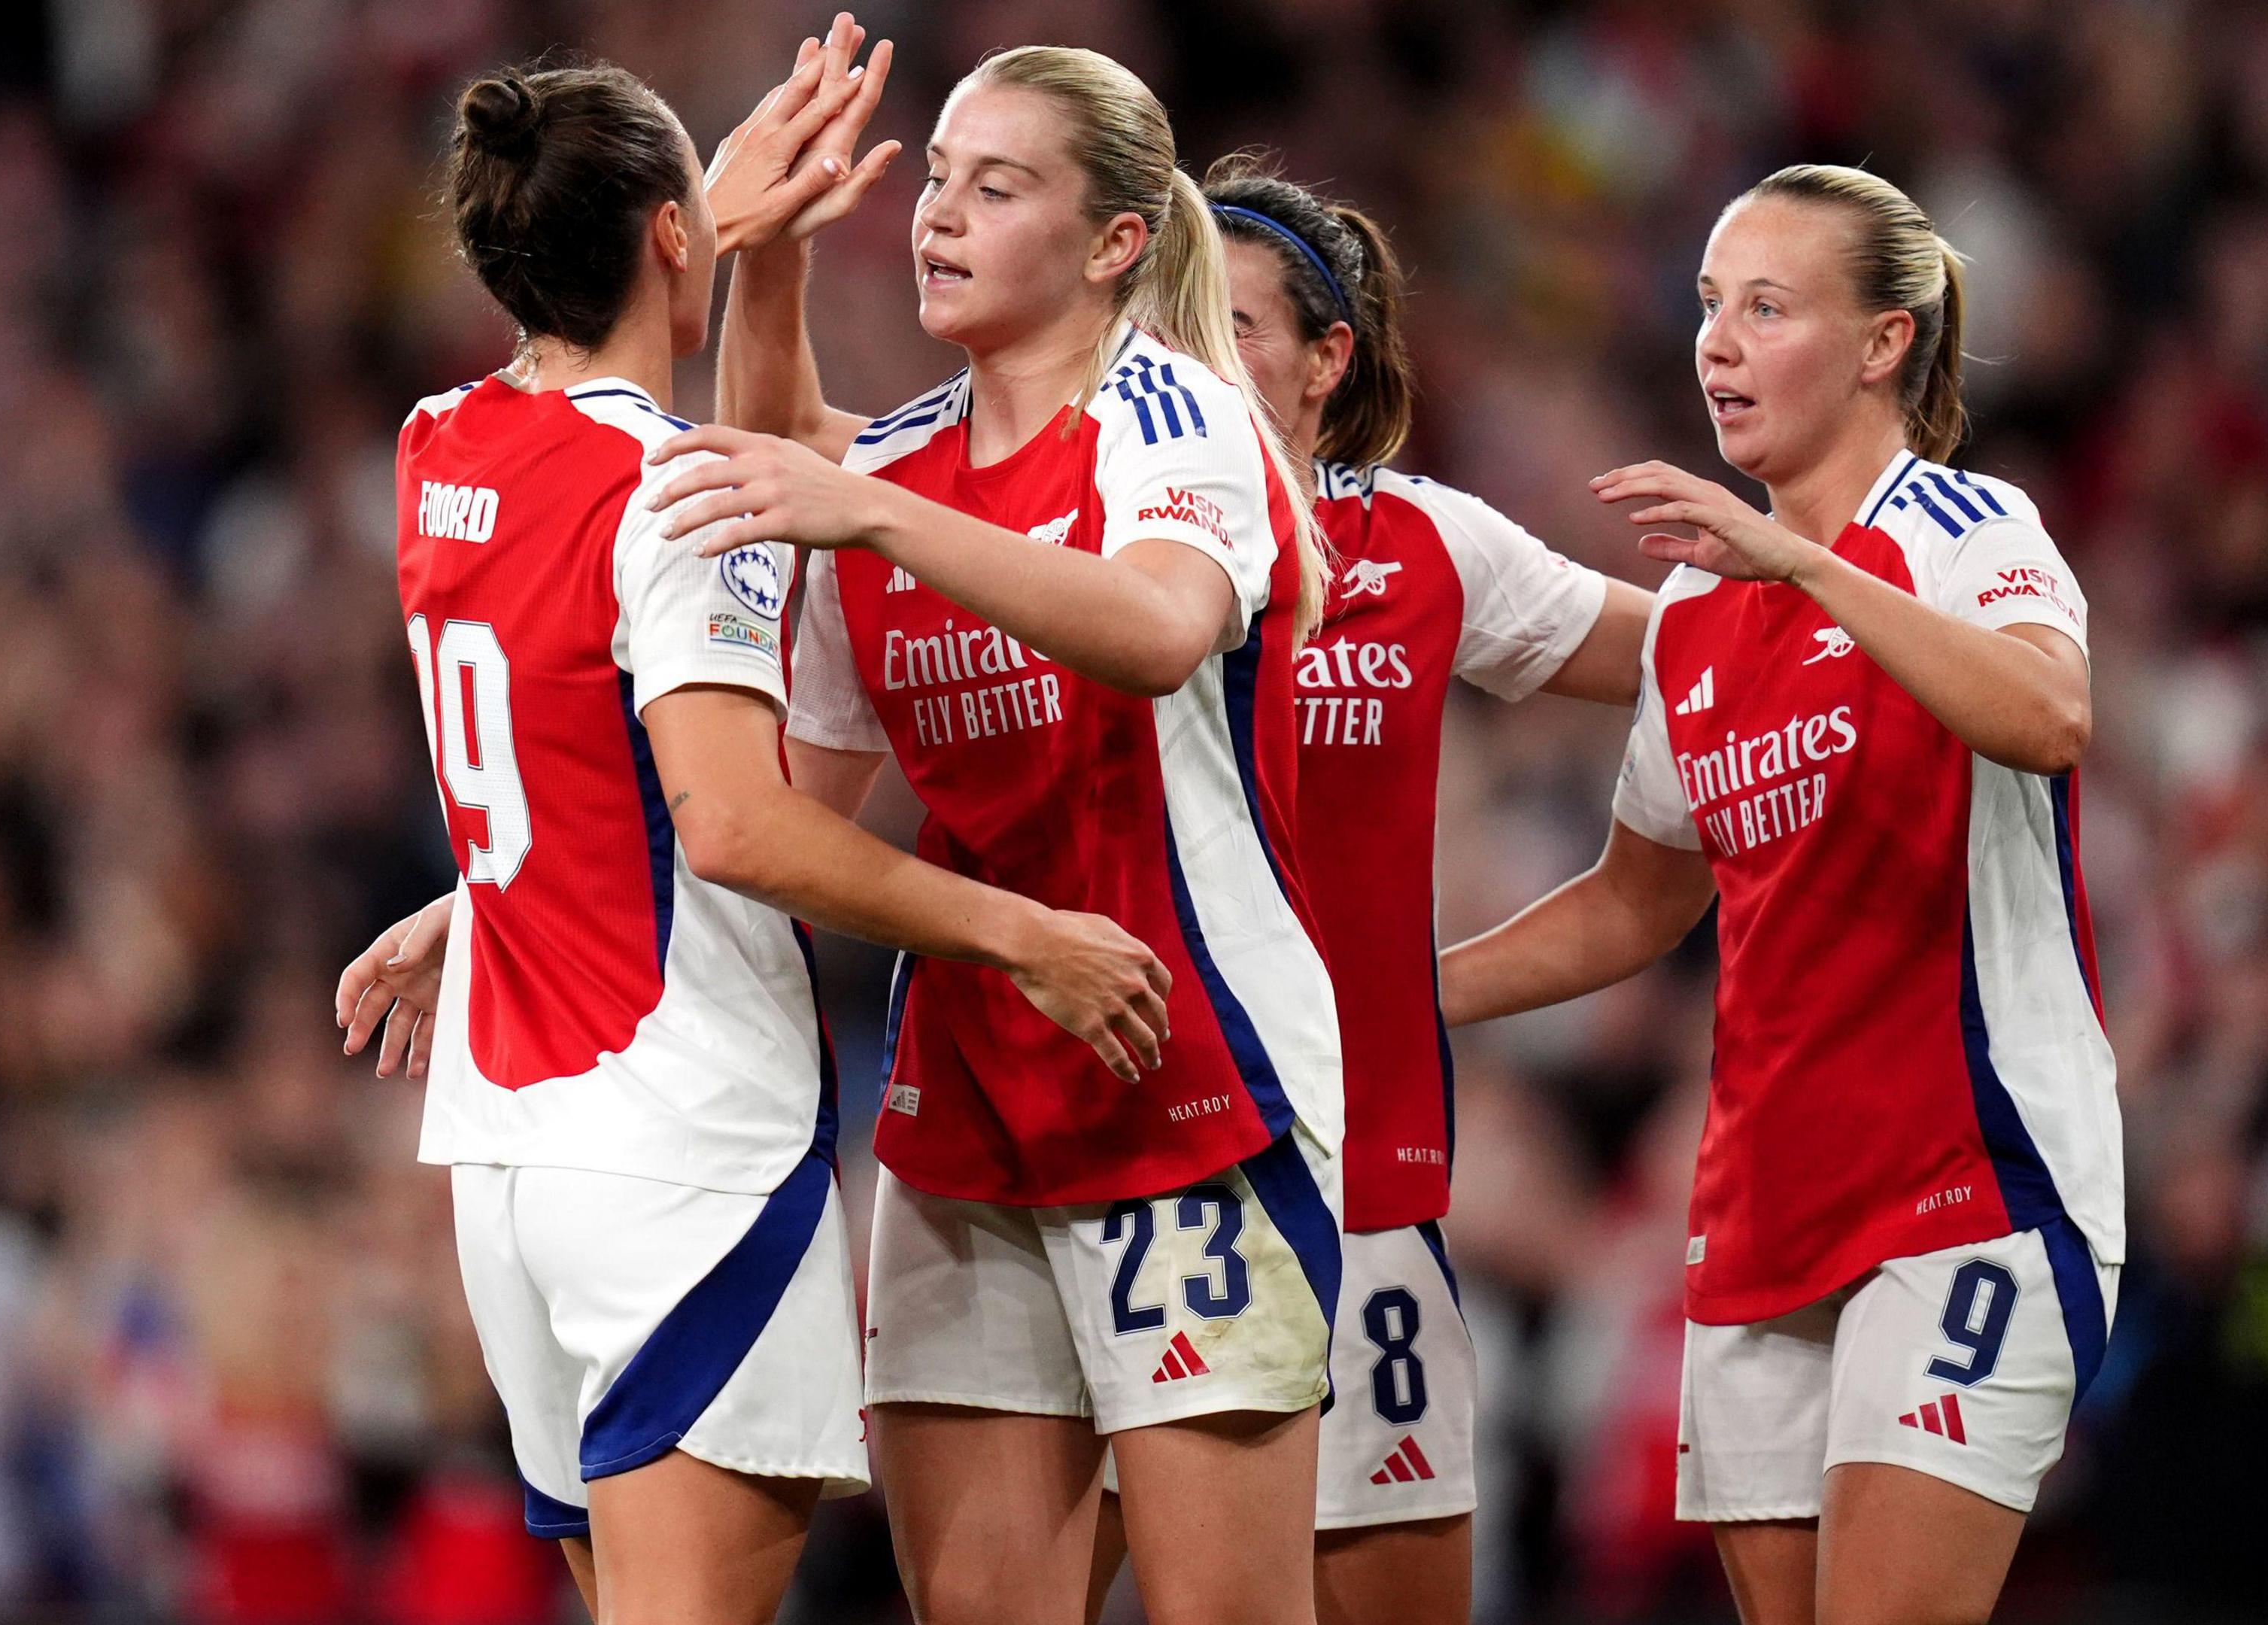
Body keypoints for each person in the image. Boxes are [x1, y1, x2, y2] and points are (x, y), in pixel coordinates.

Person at [338, 35, 1173, 1625]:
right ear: (668, 234)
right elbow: (730, 825)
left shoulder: (434, 445)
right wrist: (1019, 930)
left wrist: (476, 898)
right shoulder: (679, 493)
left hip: (511, 1159)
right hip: (677, 1147)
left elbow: (572, 752)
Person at [639, 41, 1344, 1625]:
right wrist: (772, 254)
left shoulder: (1176, 419)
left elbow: (1159, 632)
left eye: (996, 186)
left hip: (1196, 1087)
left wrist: (876, 509)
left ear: (1112, 246)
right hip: (968, 1121)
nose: (941, 215)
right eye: (938, 178)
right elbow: (792, 810)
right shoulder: (890, 471)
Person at [1438, 164, 2122, 1625]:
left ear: (1883, 341)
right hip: (1758, 1213)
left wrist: (1806, 566)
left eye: (1767, 307)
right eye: (1705, 308)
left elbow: (2049, 716)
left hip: (1971, 1187)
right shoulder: (1696, 616)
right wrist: (1395, 996)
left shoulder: (1966, 530)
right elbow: (1636, 905)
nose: (1717, 344)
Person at [1087, 156, 1656, 1625]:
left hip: (1364, 1189)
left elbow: (1697, 666)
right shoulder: (1077, 540)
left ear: (1330, 359)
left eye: (1233, 326)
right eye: (1165, 326)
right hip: (1117, 1178)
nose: (1186, 363)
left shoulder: (1425, 550)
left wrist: (1863, 612)